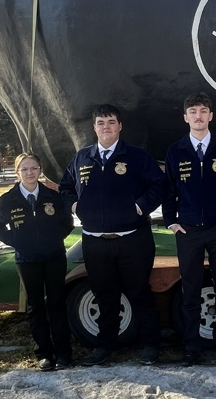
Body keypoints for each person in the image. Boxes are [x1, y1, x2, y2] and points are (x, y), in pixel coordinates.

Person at [60, 104, 165, 366]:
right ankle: (105, 345)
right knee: (104, 295)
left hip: (133, 240)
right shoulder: (82, 158)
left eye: (111, 122)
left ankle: (150, 345)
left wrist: (139, 207)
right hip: (95, 243)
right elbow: (65, 187)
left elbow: (158, 185)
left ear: (120, 126)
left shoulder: (137, 156)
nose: (106, 127)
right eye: (100, 122)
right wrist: (75, 206)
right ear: (94, 127)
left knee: (139, 292)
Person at [163, 91, 216, 366]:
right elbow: (168, 189)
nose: (198, 116)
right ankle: (191, 346)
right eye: (193, 112)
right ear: (185, 117)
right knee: (190, 289)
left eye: (203, 111)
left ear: (211, 115)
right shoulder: (176, 150)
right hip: (188, 231)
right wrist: (171, 221)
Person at [0, 152, 74, 371]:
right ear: (17, 172)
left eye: (34, 168)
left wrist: (54, 239)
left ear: (40, 170)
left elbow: (67, 222)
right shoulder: (8, 200)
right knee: (35, 306)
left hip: (54, 257)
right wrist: (16, 241)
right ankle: (44, 354)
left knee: (57, 304)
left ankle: (63, 353)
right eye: (24, 169)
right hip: (27, 260)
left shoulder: (52, 196)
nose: (30, 173)